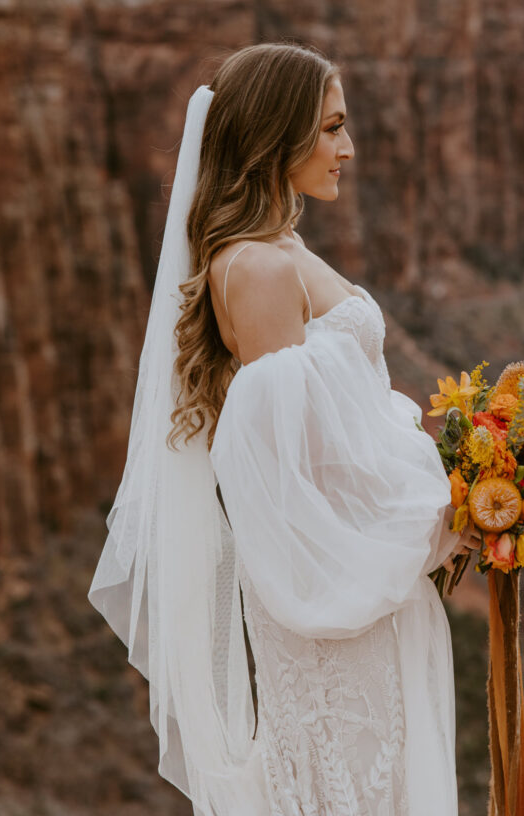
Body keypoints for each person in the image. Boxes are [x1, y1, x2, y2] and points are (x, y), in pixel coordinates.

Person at [88, 42, 479, 816]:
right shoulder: (261, 271)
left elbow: (338, 430)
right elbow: (292, 481)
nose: (348, 148)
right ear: (277, 136)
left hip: (366, 600)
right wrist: (440, 522)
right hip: (339, 621)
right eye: (331, 128)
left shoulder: (279, 248)